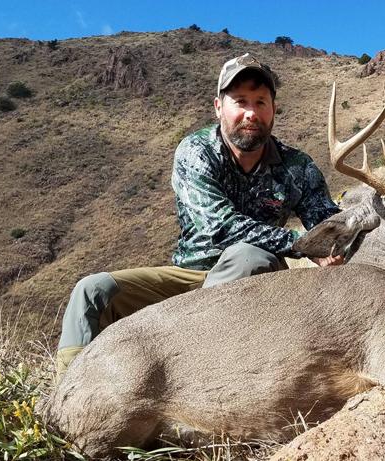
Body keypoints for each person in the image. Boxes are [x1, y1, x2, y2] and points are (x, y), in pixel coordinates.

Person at [54, 53, 343, 380]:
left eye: (261, 102)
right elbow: (222, 227)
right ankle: (69, 393)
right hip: (191, 276)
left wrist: (337, 244)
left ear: (273, 109)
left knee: (247, 257)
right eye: (240, 101)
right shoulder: (196, 151)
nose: (251, 113)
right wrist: (305, 245)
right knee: (92, 291)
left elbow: (329, 227)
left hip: (256, 281)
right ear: (219, 107)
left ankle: (194, 375)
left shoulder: (298, 167)